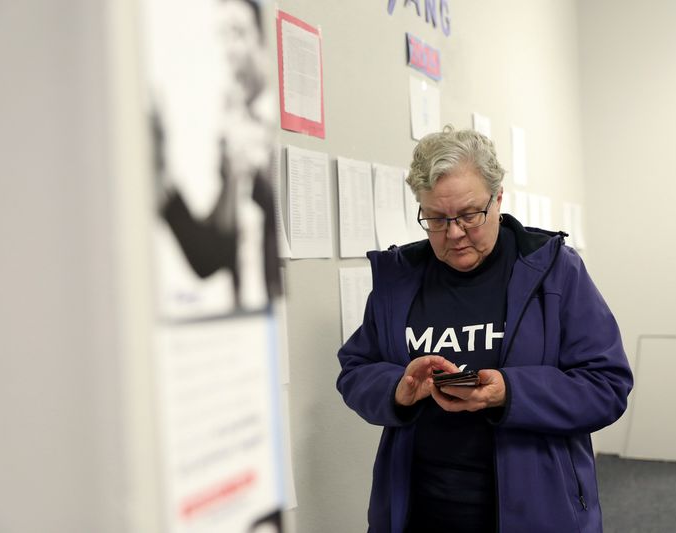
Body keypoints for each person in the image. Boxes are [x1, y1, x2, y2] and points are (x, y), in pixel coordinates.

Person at [336, 126, 633, 532]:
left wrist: (509, 393)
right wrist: (399, 390)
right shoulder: (399, 279)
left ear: (498, 199)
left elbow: (607, 385)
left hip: (535, 510)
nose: (454, 233)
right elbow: (355, 370)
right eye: (436, 219)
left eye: (469, 215)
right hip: (419, 511)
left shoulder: (554, 271)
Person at [153, 0, 280, 312]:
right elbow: (217, 249)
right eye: (222, 36)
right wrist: (162, 170)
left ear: (262, 42)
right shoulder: (230, 127)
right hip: (248, 314)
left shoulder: (275, 130)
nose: (230, 49)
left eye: (238, 33)